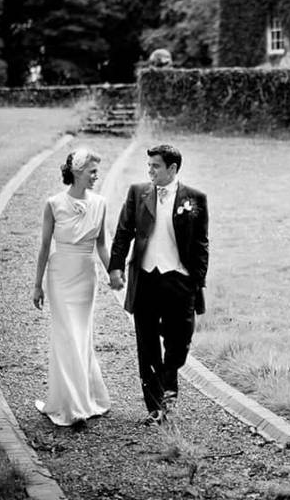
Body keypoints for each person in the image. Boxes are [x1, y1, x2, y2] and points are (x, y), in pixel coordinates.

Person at [108, 144, 209, 426]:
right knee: (147, 344)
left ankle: (168, 381)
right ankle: (155, 407)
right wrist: (115, 267)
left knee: (180, 341)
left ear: (172, 169)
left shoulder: (195, 199)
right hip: (146, 279)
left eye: (156, 166)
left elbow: (202, 244)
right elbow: (123, 232)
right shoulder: (138, 193)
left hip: (179, 281)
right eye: (149, 165)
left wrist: (196, 281)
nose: (149, 170)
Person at [32, 148, 113, 426]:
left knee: (81, 335)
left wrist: (113, 272)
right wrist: (37, 285)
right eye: (92, 171)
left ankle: (85, 399)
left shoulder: (100, 203)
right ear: (77, 172)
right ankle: (70, 405)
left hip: (85, 275)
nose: (95, 176)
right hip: (60, 275)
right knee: (66, 336)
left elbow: (102, 244)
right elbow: (44, 246)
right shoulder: (53, 204)